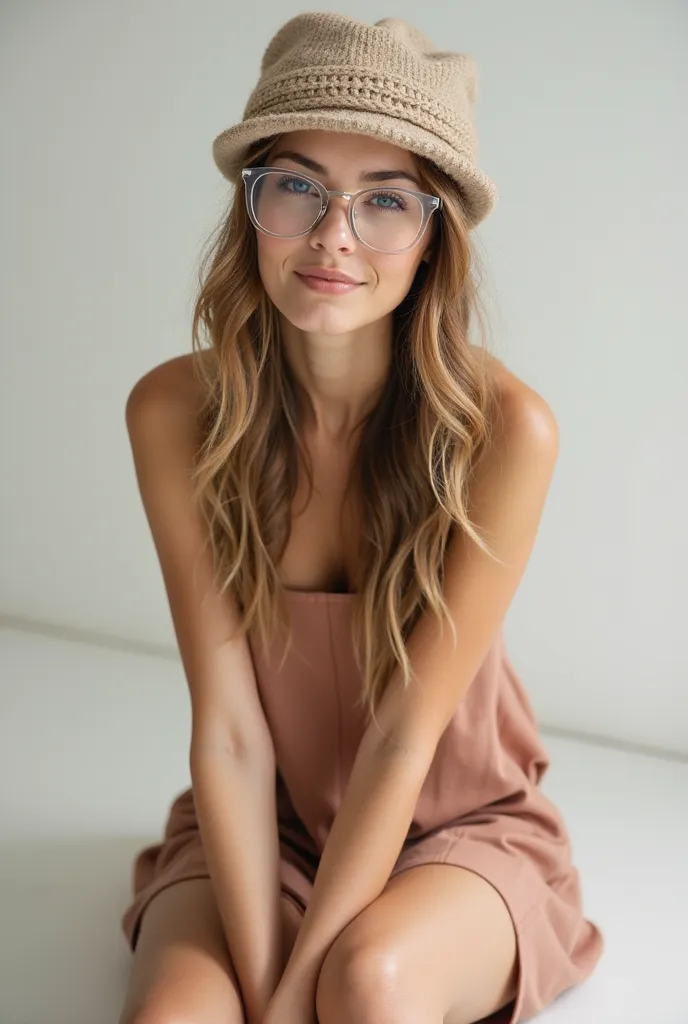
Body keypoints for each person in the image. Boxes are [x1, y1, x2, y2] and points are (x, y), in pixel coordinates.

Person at [118, 12, 604, 1024]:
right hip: (259, 825)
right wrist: (263, 987)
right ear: (251, 205)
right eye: (297, 185)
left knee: (365, 988)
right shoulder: (172, 413)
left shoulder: (505, 433)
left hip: (455, 831)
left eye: (384, 200)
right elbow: (231, 733)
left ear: (432, 238)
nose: (334, 236)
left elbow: (400, 739)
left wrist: (304, 992)